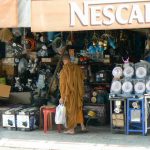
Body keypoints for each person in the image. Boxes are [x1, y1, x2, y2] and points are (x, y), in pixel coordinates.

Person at [59, 54, 87, 134]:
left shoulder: (64, 70)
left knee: (70, 111)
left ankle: (71, 129)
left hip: (69, 94)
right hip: (77, 93)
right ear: (69, 59)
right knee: (78, 108)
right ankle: (82, 126)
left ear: (64, 61)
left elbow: (63, 85)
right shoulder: (78, 68)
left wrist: (62, 96)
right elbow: (83, 78)